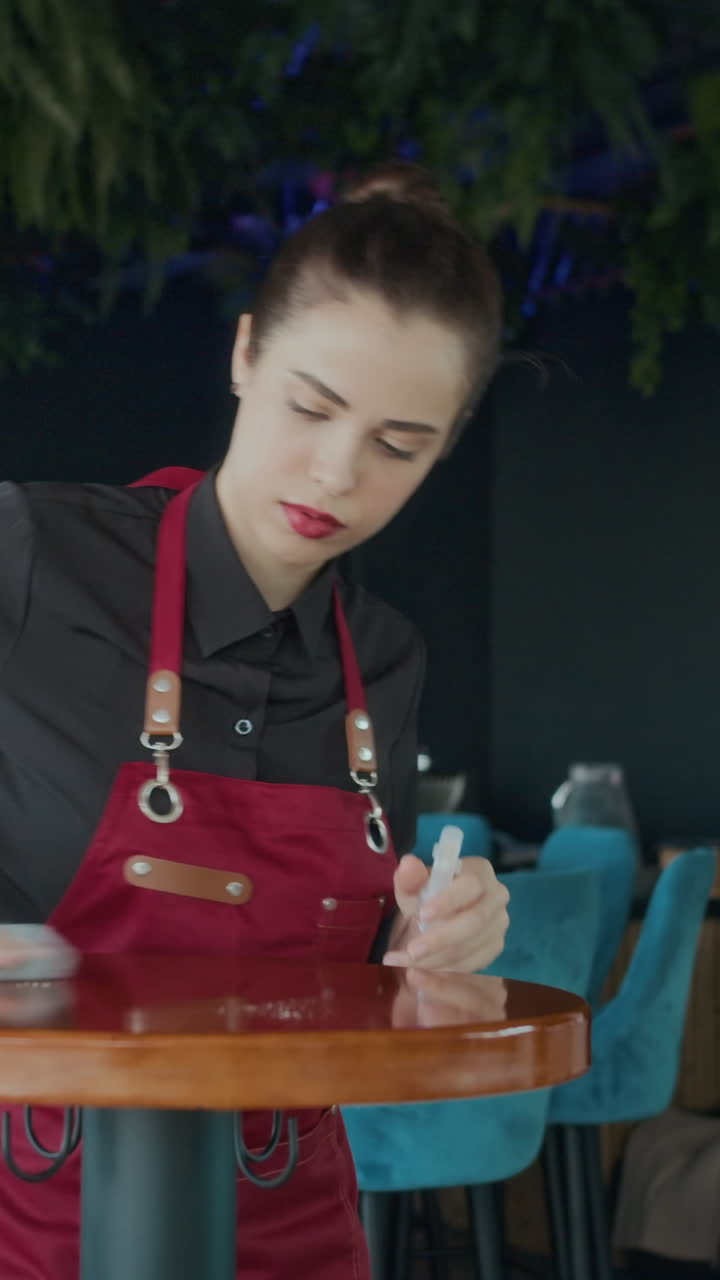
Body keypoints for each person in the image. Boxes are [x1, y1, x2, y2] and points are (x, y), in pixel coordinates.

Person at [0, 161, 510, 1279]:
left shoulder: (386, 660)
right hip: (39, 1231)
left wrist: (437, 945)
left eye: (398, 443)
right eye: (311, 406)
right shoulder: (40, 558)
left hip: (301, 1229)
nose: (336, 472)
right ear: (243, 356)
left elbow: (360, 970)